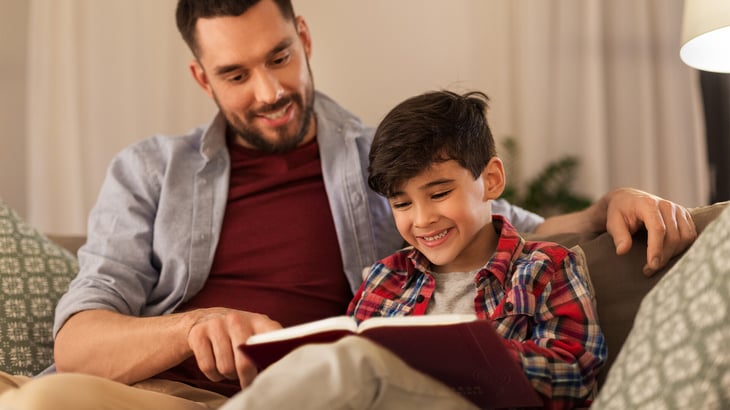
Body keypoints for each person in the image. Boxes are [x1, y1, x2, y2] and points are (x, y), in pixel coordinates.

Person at [0, 0, 693, 409]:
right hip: (163, 397)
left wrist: (609, 205)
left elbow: (509, 230)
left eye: (278, 58)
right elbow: (80, 344)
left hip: (315, 394)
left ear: (303, 38)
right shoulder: (148, 171)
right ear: (200, 77)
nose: (269, 91)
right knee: (49, 398)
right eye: (236, 75)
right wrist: (191, 329)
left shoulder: (381, 163)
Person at [347, 90, 605, 408]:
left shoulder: (546, 268)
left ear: (492, 180)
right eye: (402, 203)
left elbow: (574, 377)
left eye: (439, 193)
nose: (422, 219)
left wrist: (460, 356)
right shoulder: (383, 279)